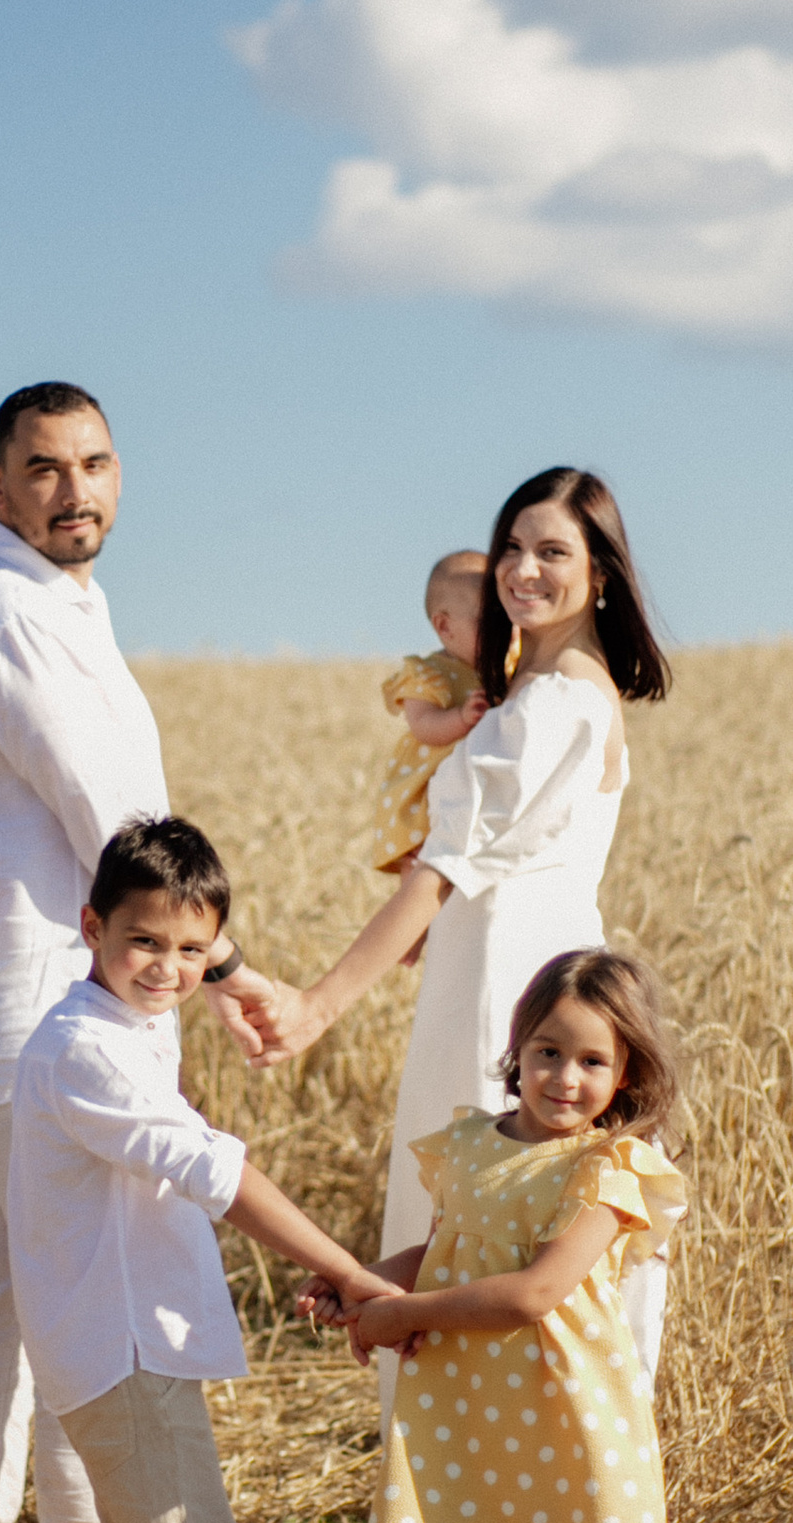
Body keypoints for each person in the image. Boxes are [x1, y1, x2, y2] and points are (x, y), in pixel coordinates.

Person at [0, 381, 272, 1523]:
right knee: (63, 1290)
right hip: (27, 1012)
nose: (76, 491)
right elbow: (116, 829)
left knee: (5, 1284)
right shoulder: (10, 617)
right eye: (45, 470)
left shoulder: (51, 603)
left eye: (95, 464)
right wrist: (219, 968)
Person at [0, 817, 381, 1523]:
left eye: (189, 949)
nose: (166, 968)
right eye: (142, 944)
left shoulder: (130, 1022)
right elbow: (215, 1175)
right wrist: (344, 1269)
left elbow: (197, 971)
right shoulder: (83, 1052)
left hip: (123, 1338)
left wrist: (231, 971)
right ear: (91, 929)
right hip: (114, 1344)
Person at [239, 468, 672, 1293]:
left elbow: (445, 869)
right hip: (538, 968)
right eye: (512, 546)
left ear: (602, 575)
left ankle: (462, 1421)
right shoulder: (558, 693)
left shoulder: (550, 707)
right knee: (512, 1226)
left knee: (479, 1221)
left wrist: (313, 1007)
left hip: (504, 986)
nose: (522, 569)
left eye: (553, 551)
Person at [334, 947, 685, 1523]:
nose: (565, 1077)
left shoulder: (611, 1169)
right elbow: (452, 1253)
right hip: (476, 1426)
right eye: (548, 1052)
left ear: (627, 1071)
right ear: (518, 1049)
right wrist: (363, 1285)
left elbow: (534, 1293)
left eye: (593, 1061)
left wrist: (402, 1315)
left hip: (580, 1422)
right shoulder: (468, 1148)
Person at [369, 550, 488, 874]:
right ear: (444, 625)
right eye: (486, 621)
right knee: (421, 875)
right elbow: (422, 725)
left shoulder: (503, 670)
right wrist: (460, 719)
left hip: (466, 800)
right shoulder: (429, 673)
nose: (500, 631)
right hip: (422, 799)